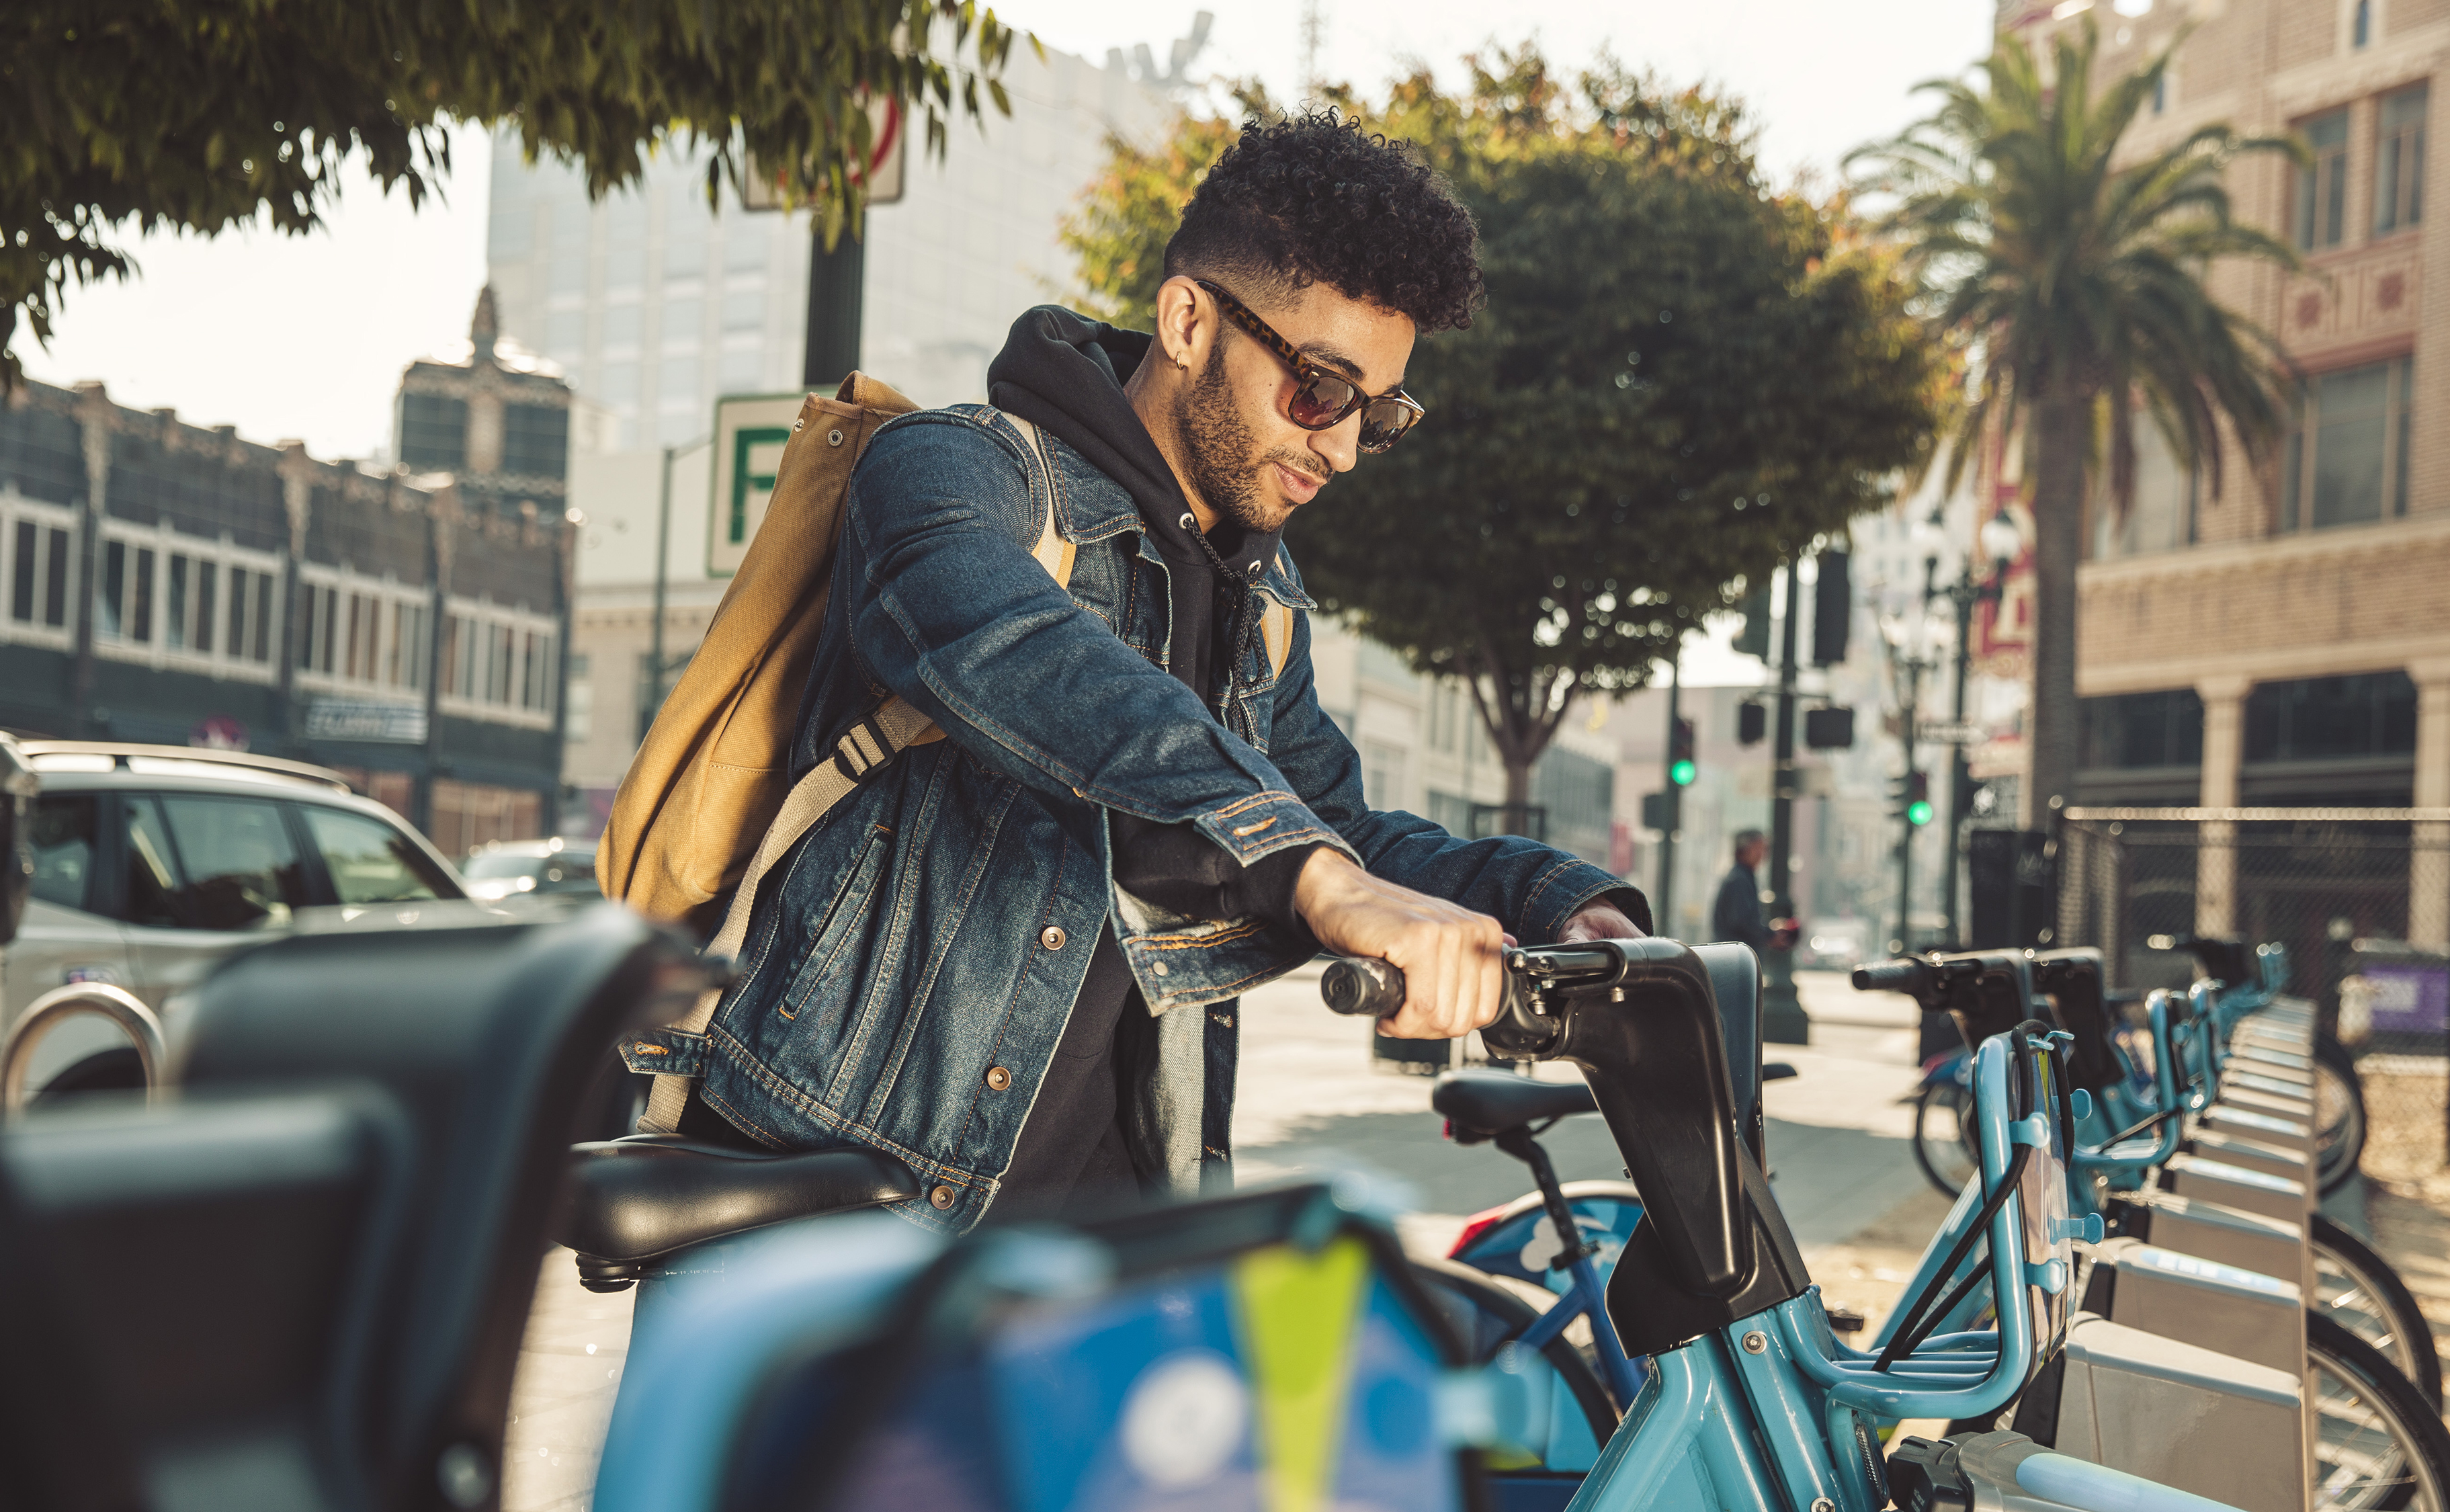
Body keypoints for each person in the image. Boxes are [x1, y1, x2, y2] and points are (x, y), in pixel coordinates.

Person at [663, 112, 1648, 1230]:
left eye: (1378, 415)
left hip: (1108, 1248)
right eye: (1321, 390)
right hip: (842, 1219)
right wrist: (1317, 877)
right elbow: (1017, 654)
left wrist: (1558, 909)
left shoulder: (1257, 598)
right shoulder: (956, 470)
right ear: (1189, 320)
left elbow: (1329, 824)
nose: (1339, 446)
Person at [1712, 829, 1772, 955]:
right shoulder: (1739, 880)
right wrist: (1769, 936)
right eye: (1757, 848)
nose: (1762, 854)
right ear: (1743, 850)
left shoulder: (1743, 877)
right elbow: (1742, 921)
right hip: (1736, 957)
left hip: (1737, 955)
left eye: (1764, 849)